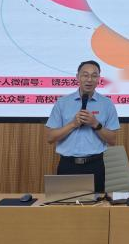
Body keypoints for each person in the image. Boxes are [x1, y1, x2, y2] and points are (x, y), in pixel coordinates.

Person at [45, 60, 120, 193]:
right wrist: (73, 124)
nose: (89, 79)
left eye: (94, 75)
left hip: (95, 165)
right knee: (65, 204)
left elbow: (112, 140)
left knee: (96, 205)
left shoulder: (107, 104)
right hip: (67, 165)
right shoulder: (62, 103)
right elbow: (50, 138)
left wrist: (95, 124)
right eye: (85, 75)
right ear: (77, 77)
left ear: (99, 79)